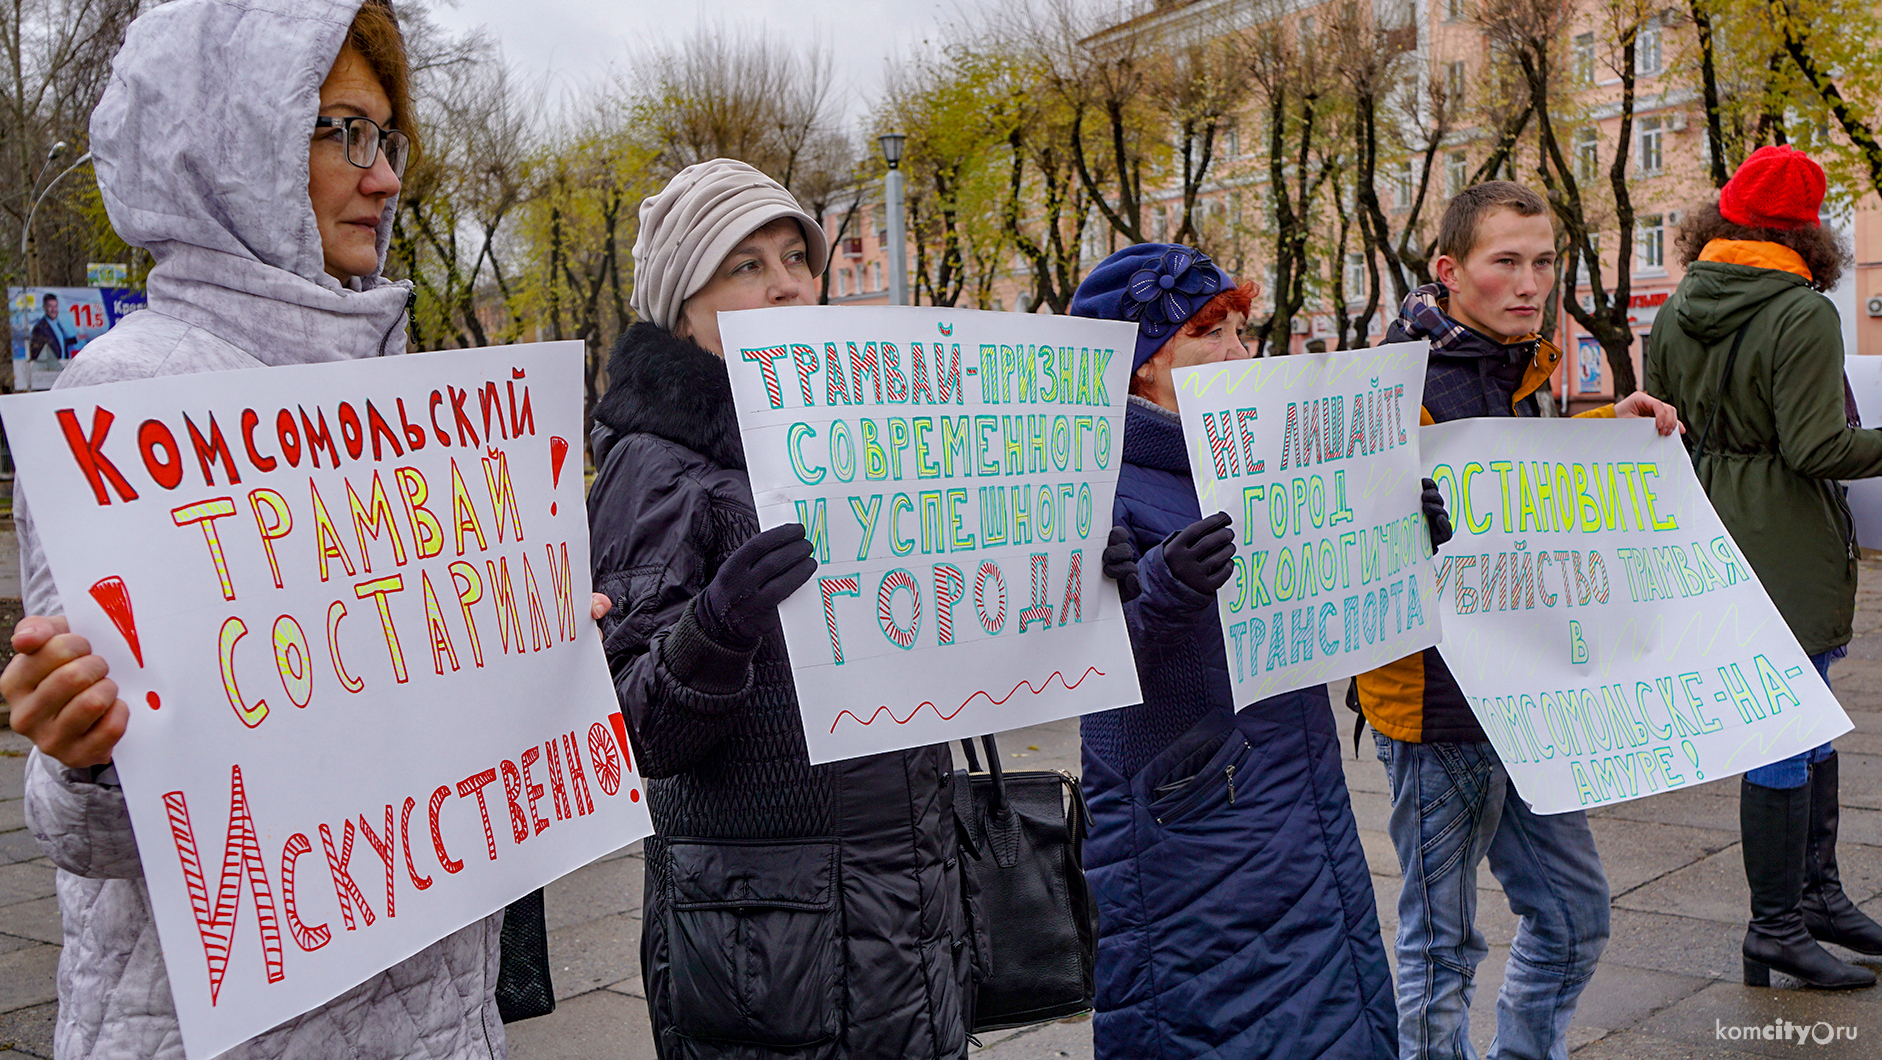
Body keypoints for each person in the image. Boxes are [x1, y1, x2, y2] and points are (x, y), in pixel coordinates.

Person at [1, 2, 528, 1057]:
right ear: (230, 144)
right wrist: (87, 751)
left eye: (386, 138)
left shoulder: (398, 396)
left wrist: (534, 646)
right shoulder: (131, 398)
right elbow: (90, 835)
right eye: (344, 131)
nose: (382, 177)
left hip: (434, 1010)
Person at [588, 157, 975, 1060]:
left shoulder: (870, 440)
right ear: (684, 307)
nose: (787, 286)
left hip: (906, 907)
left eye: (794, 258)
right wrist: (716, 631)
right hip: (772, 950)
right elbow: (631, 732)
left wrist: (1072, 574)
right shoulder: (654, 465)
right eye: (745, 266)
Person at [1351, 181, 1682, 1060]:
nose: (1530, 282)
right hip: (1436, 714)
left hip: (1532, 702)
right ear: (1450, 270)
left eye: (1543, 262)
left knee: (1575, 919)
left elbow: (1524, 498)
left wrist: (1612, 437)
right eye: (1507, 262)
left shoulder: (1518, 366)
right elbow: (1338, 550)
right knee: (1441, 944)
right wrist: (1392, 525)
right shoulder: (1390, 388)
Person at [1066, 244, 1397, 1059]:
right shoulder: (1085, 483)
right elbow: (1080, 669)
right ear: (1140, 366)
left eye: (1243, 332)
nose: (1240, 354)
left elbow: (1326, 609)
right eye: (1210, 333)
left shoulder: (1261, 462)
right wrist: (1165, 586)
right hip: (1193, 838)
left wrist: (1396, 532)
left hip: (1297, 805)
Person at [1644, 145, 1882, 990]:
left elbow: (1662, 435)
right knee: (1783, 733)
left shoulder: (1674, 311)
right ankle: (1776, 927)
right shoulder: (1804, 312)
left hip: (1706, 531)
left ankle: (1816, 901)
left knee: (1802, 718)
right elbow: (1820, 445)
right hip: (1783, 535)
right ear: (1809, 233)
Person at [27, 292, 76, 363]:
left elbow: (59, 343)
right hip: (49, 369)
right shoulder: (40, 328)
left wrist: (75, 339)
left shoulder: (57, 324)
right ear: (44, 307)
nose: (54, 309)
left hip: (62, 367)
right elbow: (35, 353)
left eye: (55, 306)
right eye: (50, 306)